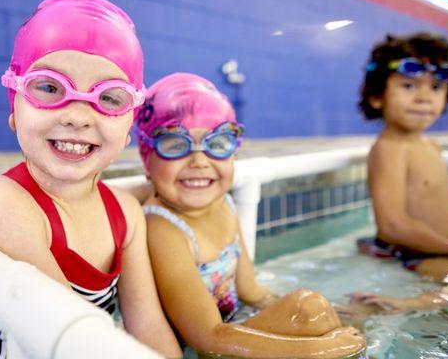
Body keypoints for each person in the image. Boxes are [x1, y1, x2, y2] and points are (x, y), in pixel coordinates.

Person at [0, 0, 181, 358]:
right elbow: (74, 338)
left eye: (109, 98)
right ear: (15, 107)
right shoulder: (7, 204)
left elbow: (148, 324)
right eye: (49, 88)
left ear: (128, 128)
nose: (77, 116)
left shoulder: (125, 213)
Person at [134, 72, 366, 358]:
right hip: (203, 348)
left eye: (217, 144)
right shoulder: (163, 229)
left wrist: (337, 320)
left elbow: (252, 291)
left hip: (231, 333)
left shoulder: (225, 205)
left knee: (324, 313)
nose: (198, 161)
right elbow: (206, 336)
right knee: (310, 310)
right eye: (174, 145)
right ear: (146, 158)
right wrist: (323, 346)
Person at [350, 32, 448, 314]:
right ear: (377, 96)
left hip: (444, 250)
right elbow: (391, 225)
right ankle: (402, 305)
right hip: (417, 254)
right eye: (408, 85)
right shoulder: (390, 148)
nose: (424, 97)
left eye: (437, 87)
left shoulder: (432, 145)